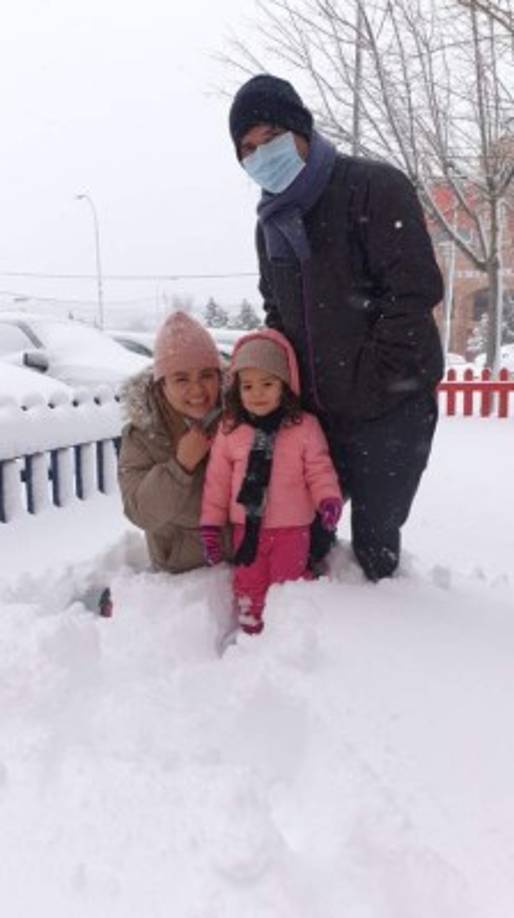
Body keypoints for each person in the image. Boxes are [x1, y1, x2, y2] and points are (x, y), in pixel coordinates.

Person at [228, 74, 444, 581]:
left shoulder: (373, 188)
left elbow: (412, 294)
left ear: (301, 131)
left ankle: (381, 623)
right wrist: (276, 387)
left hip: (390, 408)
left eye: (271, 137)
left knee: (375, 546)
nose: (261, 154)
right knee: (305, 536)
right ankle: (302, 619)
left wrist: (371, 379)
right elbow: (276, 312)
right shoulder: (270, 224)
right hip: (316, 416)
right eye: (248, 148)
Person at [199, 328, 343, 635]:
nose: (257, 393)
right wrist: (211, 525)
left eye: (267, 384)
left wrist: (328, 499)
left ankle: (285, 635)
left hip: (292, 530)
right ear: (236, 389)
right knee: (248, 582)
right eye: (248, 386)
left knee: (287, 584)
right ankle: (250, 630)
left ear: (285, 385)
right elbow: (217, 483)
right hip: (246, 529)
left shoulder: (303, 426)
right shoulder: (230, 429)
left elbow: (319, 469)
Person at [117, 310, 230, 573]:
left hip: (243, 568)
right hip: (181, 578)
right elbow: (140, 512)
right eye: (181, 379)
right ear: (162, 384)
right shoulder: (143, 435)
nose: (197, 389)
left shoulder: (240, 418)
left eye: (206, 375)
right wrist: (180, 466)